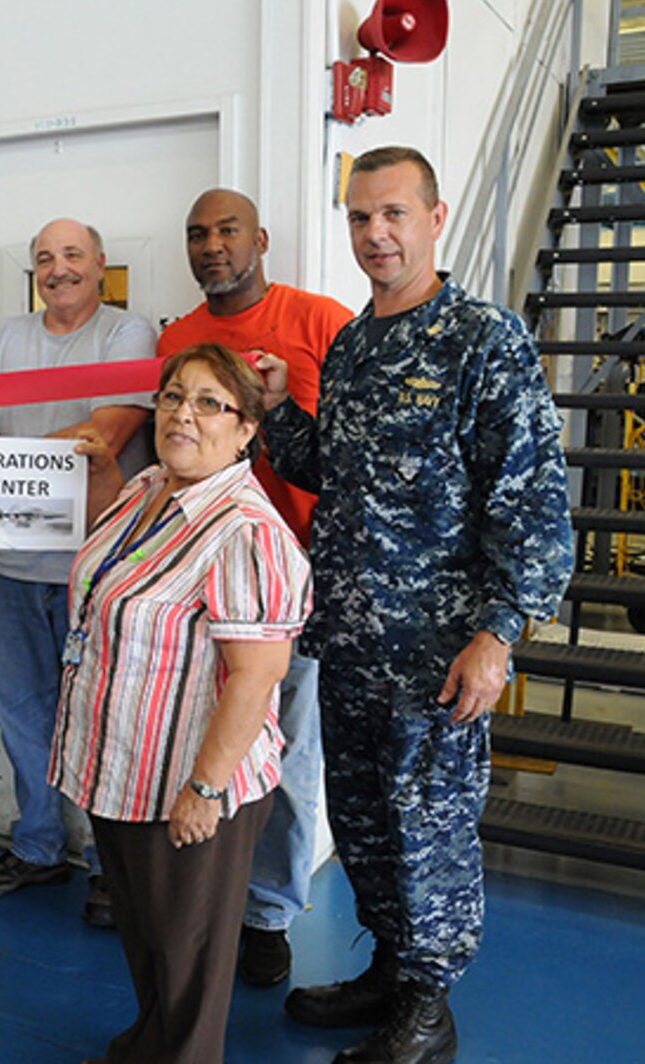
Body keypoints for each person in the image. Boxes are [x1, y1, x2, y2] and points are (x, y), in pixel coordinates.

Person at [261, 147, 573, 1064]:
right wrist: (282, 412)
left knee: (428, 832)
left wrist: (499, 632)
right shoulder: (355, 343)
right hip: (353, 640)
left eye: (394, 214)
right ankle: (390, 972)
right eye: (360, 218)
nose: (375, 234)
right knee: (361, 822)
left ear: (435, 219)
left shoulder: (484, 340)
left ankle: (429, 1010)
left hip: (439, 651)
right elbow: (335, 476)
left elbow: (532, 501)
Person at [54, 343, 311, 1064]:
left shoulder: (248, 535)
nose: (182, 415)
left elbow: (256, 679)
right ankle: (152, 1037)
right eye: (172, 396)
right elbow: (125, 572)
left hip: (188, 780)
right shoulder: (150, 488)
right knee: (145, 932)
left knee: (187, 950)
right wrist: (105, 472)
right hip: (124, 764)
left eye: (208, 403)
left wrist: (204, 788)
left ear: (246, 429)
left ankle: (184, 1052)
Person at [158, 188, 353, 986]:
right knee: (200, 734)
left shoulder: (321, 320)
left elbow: (356, 441)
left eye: (227, 230)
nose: (212, 246)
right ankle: (205, 898)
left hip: (292, 573)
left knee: (288, 748)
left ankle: (269, 912)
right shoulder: (176, 336)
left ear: (260, 238)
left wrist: (281, 407)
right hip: (193, 575)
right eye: (197, 233)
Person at [0, 218, 157, 925]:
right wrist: (32, 458)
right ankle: (38, 847)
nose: (58, 267)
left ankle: (111, 867)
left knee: (104, 715)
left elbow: (103, 438)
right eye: (45, 257)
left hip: (97, 565)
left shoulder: (129, 337)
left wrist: (13, 462)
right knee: (18, 706)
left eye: (72, 255)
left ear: (101, 264)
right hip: (12, 565)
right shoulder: (1, 339)